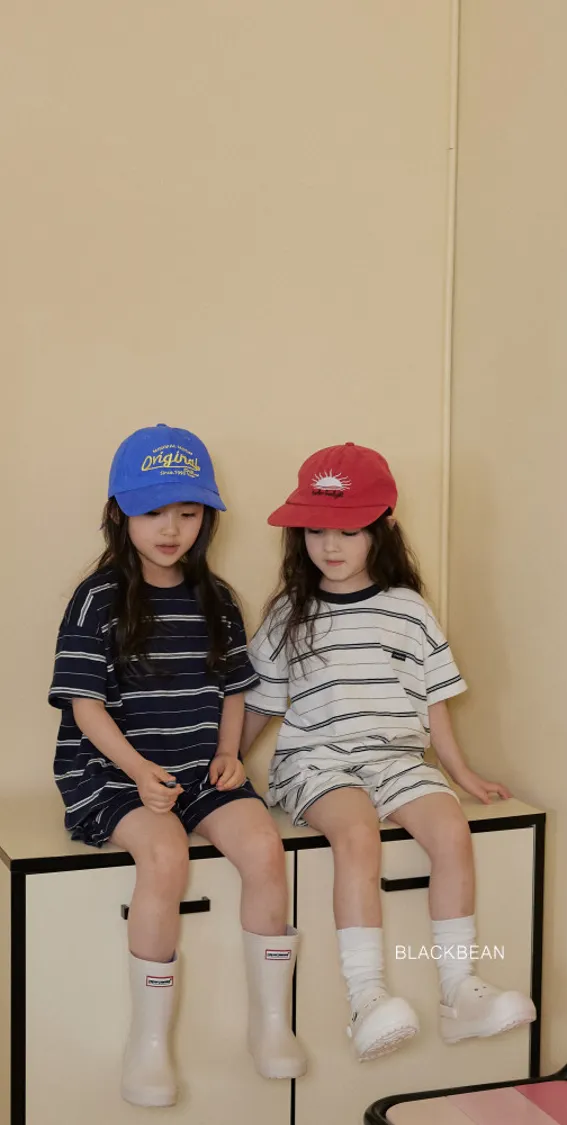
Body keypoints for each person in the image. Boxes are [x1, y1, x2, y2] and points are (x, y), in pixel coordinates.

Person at [240, 442, 535, 1062]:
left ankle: (460, 992)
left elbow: (433, 701)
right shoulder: (290, 613)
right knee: (357, 833)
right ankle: (366, 998)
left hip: (399, 761)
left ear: (383, 529)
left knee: (452, 831)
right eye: (315, 530)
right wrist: (227, 765)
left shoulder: (408, 610)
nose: (330, 545)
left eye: (348, 530)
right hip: (317, 762)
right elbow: (260, 704)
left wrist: (461, 774)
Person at [48, 423, 305, 1107]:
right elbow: (84, 707)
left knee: (265, 848)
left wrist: (228, 754)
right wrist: (138, 771)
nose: (171, 529)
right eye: (153, 512)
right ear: (120, 514)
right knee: (165, 856)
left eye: (187, 513)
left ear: (206, 518)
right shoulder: (97, 598)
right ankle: (149, 1042)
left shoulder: (217, 597)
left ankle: (271, 1022)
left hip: (199, 769)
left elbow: (234, 689)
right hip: (112, 774)